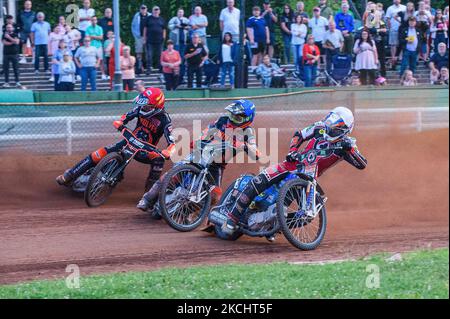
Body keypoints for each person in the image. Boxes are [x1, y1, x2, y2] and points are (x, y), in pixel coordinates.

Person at [221, 106, 367, 236]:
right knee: (258, 181)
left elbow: (362, 164)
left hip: (308, 178)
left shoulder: (347, 146)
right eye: (329, 124)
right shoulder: (319, 127)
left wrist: (349, 149)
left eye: (334, 128)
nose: (329, 129)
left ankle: (276, 227)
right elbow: (299, 135)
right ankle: (231, 219)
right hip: (291, 164)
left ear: (344, 130)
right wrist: (292, 151)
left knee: (307, 215)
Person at [137, 99, 259, 213]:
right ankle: (148, 199)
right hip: (200, 154)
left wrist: (245, 146)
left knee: (215, 196)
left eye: (237, 117)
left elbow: (256, 152)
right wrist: (199, 140)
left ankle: (185, 212)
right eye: (232, 115)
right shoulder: (223, 120)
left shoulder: (248, 133)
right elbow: (207, 131)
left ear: (247, 119)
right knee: (174, 174)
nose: (232, 119)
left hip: (216, 166)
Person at [57, 82, 176, 193]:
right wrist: (120, 122)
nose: (143, 108)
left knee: (159, 160)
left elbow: (172, 141)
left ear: (156, 106)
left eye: (147, 106)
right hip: (129, 141)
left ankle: (150, 194)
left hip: (145, 151)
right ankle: (69, 176)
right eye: (143, 105)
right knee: (98, 154)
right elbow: (127, 116)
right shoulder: (140, 109)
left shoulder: (164, 120)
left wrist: (168, 151)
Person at [143, 6, 166, 74]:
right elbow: (145, 29)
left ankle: (161, 68)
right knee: (149, 55)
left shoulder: (162, 19)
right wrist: (144, 38)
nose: (156, 11)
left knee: (160, 55)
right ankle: (148, 69)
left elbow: (164, 29)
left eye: (157, 10)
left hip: (159, 41)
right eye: (155, 10)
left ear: (159, 11)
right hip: (150, 40)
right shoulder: (148, 19)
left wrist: (164, 37)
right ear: (152, 11)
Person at [386, 0, 407, 70]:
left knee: (402, 43)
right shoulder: (390, 8)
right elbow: (388, 19)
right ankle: (393, 58)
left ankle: (400, 58)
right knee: (393, 44)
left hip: (403, 29)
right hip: (393, 28)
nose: (396, 0)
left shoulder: (404, 7)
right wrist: (390, 28)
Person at [2, 23, 23, 88]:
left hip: (15, 54)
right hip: (6, 54)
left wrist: (9, 37)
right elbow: (4, 43)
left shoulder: (16, 34)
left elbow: (17, 42)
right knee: (6, 69)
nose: (9, 28)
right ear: (6, 28)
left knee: (16, 69)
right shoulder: (3, 35)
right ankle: (6, 82)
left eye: (10, 27)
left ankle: (17, 82)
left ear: (12, 28)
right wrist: (13, 41)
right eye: (7, 27)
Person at [131, 4, 150, 75]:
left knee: (148, 52)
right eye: (142, 8)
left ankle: (147, 67)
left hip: (148, 37)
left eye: (144, 8)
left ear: (147, 9)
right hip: (139, 36)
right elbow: (132, 26)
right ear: (140, 9)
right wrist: (136, 35)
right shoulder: (137, 16)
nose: (143, 9)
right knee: (139, 52)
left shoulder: (149, 16)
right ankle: (139, 67)